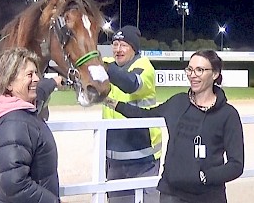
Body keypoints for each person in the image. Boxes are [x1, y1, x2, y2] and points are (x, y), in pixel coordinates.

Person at [102, 49, 244, 203]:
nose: (193, 75)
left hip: (208, 196)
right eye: (189, 69)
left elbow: (236, 165)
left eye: (200, 70)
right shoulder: (178, 102)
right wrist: (110, 102)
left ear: (215, 74)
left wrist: (204, 177)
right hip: (171, 194)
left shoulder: (228, 115)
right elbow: (144, 114)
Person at [0, 47, 63, 203]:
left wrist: (53, 82)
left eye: (36, 73)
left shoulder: (16, 109)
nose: (37, 79)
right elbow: (14, 183)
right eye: (29, 74)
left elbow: (40, 92)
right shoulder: (14, 122)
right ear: (9, 83)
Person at [102, 25, 162, 203]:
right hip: (114, 157)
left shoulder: (144, 66)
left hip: (143, 156)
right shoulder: (108, 65)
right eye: (115, 44)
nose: (118, 49)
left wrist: (105, 67)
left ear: (134, 48)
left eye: (123, 45)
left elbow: (130, 84)